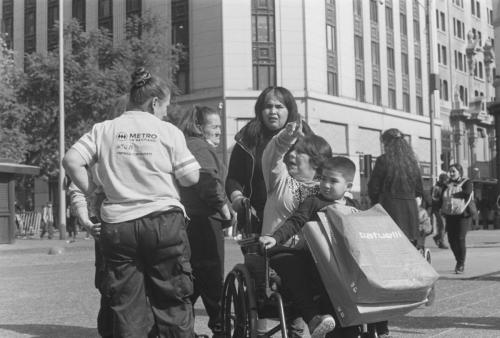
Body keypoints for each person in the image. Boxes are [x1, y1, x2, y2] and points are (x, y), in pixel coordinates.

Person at [63, 67, 200, 338]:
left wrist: (94, 188)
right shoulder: (167, 130)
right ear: (154, 102)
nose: (166, 112)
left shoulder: (104, 129)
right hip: (163, 222)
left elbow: (71, 160)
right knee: (172, 301)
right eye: (166, 106)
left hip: (119, 225)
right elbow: (191, 178)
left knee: (126, 304)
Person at [260, 156, 361, 338]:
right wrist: (275, 238)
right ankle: (313, 319)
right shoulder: (313, 201)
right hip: (314, 260)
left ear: (349, 186)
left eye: (333, 181)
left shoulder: (354, 206)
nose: (326, 184)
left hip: (341, 266)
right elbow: (295, 222)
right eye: (323, 178)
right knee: (287, 261)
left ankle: (377, 327)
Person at [167, 105, 231, 338]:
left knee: (191, 276)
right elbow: (207, 181)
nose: (219, 131)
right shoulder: (199, 147)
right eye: (214, 126)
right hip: (204, 219)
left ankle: (182, 327)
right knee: (211, 277)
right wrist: (225, 210)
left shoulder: (186, 145)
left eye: (220, 127)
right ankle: (220, 328)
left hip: (188, 220)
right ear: (198, 127)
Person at [226, 86, 312, 236]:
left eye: (279, 107)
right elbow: (234, 177)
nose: (273, 112)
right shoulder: (246, 138)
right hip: (256, 220)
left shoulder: (303, 135)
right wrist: (238, 199)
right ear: (260, 110)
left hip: (296, 218)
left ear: (289, 110)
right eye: (268, 107)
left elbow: (322, 167)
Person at [367, 128, 423, 338]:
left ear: (387, 143)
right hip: (409, 216)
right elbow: (419, 191)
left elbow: (373, 188)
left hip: (388, 214)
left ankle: (381, 325)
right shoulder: (411, 162)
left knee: (382, 270)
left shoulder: (383, 161)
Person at [441, 163, 473, 274]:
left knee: (460, 238)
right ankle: (459, 260)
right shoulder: (446, 183)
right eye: (450, 171)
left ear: (459, 172)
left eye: (454, 171)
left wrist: (453, 194)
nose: (451, 173)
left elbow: (467, 192)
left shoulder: (466, 182)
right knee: (451, 240)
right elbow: (440, 195)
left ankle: (460, 264)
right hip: (450, 214)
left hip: (463, 214)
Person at [431, 173, 449, 249]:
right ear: (441, 180)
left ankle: (437, 237)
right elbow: (434, 198)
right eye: (445, 180)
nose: (446, 181)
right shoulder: (437, 188)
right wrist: (440, 207)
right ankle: (441, 242)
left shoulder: (445, 186)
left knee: (447, 226)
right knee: (442, 225)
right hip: (438, 209)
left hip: (445, 209)